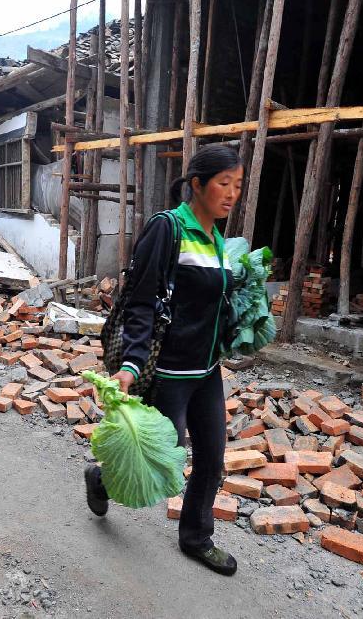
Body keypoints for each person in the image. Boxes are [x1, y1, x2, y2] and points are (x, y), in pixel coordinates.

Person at [84, 145, 243, 576]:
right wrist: (132, 365)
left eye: (237, 186)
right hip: (169, 370)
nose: (231, 194)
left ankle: (196, 537)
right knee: (163, 455)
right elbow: (141, 301)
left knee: (211, 458)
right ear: (196, 185)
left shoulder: (217, 240)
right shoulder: (168, 229)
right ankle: (101, 478)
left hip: (207, 370)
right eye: (223, 184)